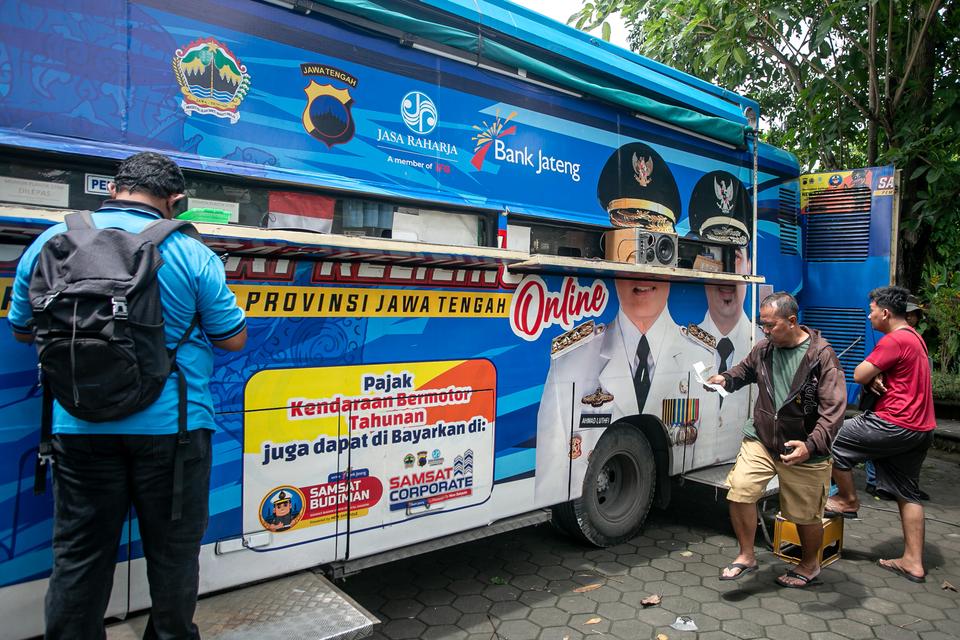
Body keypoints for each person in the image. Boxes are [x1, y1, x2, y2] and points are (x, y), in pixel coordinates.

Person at [8, 152, 248, 639]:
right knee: (173, 554)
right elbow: (231, 338)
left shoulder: (50, 243)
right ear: (174, 201)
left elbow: (21, 330)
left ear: (114, 188)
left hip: (77, 425)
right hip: (173, 433)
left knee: (79, 555)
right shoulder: (191, 253)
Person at [534, 142, 714, 506]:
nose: (641, 269)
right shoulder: (570, 360)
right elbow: (551, 480)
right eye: (627, 248)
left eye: (655, 248)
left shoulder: (701, 356)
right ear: (607, 260)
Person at [705, 292, 846, 588]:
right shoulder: (764, 349)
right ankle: (746, 555)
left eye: (771, 325)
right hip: (762, 438)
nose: (765, 331)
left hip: (805, 447)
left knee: (805, 515)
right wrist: (725, 379)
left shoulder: (821, 356)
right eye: (762, 326)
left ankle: (809, 565)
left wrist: (810, 446)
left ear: (792, 321)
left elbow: (833, 411)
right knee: (740, 490)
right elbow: (744, 371)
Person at [826, 286, 936, 583]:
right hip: (920, 428)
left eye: (872, 310)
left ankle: (848, 500)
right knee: (907, 492)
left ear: (886, 313)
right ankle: (913, 561)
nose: (869, 315)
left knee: (831, 436)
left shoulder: (895, 339)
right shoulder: (915, 338)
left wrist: (871, 374)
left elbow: (860, 374)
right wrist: (879, 375)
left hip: (894, 423)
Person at [687, 170, 764, 468]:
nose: (726, 275)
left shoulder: (766, 346)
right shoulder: (675, 346)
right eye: (715, 257)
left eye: (735, 257)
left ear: (750, 265)